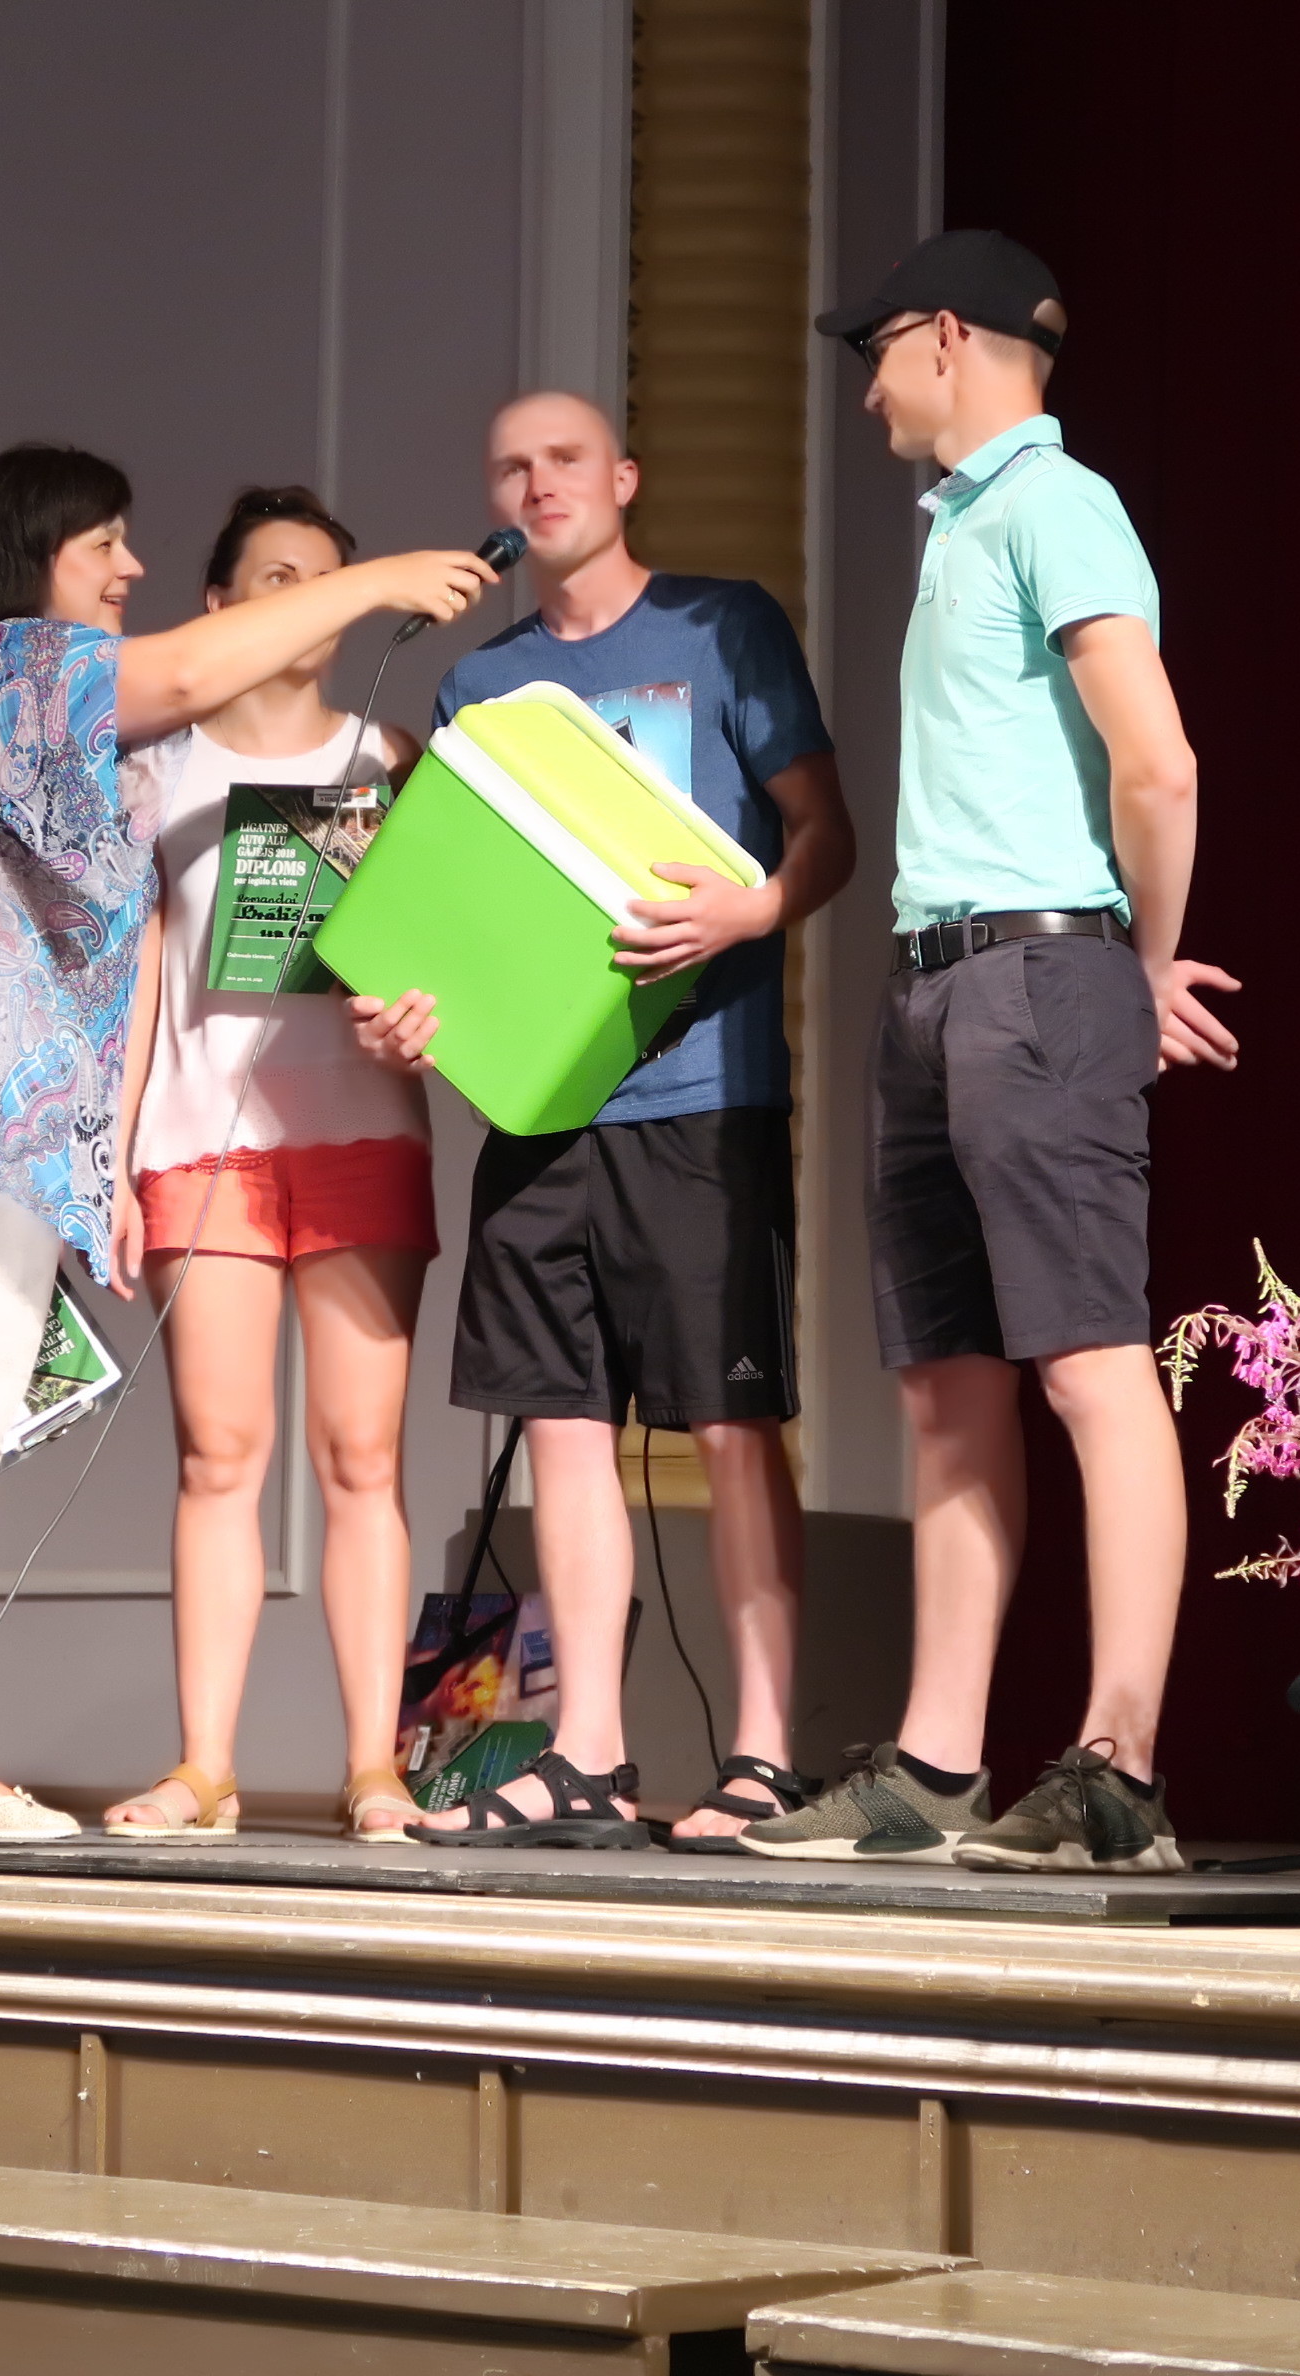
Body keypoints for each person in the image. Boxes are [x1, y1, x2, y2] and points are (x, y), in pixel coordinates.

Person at [0, 444, 496, 1839]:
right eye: (104, 544)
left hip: (11, 1125)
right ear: (31, 552)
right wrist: (375, 583)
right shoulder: (2, 664)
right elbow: (187, 674)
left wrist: (88, 1156)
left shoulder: (108, 750)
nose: (129, 566)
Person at [740, 230, 1239, 1874]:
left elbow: (1156, 761)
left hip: (1039, 972)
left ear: (944, 336)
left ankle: (1120, 1764)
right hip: (936, 980)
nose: (866, 388)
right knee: (945, 1382)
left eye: (873, 352)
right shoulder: (961, 522)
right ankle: (935, 1765)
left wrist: (1139, 964)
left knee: (1088, 1363)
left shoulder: (1054, 503)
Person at [351, 391, 856, 1850]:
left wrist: (751, 908)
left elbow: (825, 830)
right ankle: (587, 1752)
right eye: (510, 465)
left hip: (701, 1096)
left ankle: (763, 1755)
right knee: (563, 1422)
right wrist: (410, 1017)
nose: (538, 483)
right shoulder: (480, 683)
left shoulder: (723, 626)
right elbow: (457, 917)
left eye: (565, 458)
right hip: (539, 1106)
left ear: (624, 479)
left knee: (732, 1421)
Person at [99, 489, 440, 1844]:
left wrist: (418, 1019)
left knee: (363, 1455)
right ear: (223, 603)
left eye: (328, 579)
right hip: (200, 1143)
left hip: (359, 1133)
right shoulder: (159, 769)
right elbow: (140, 972)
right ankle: (205, 1768)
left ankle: (374, 1768)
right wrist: (111, 1157)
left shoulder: (387, 755)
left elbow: (441, 953)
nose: (306, 600)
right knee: (217, 1454)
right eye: (277, 576)